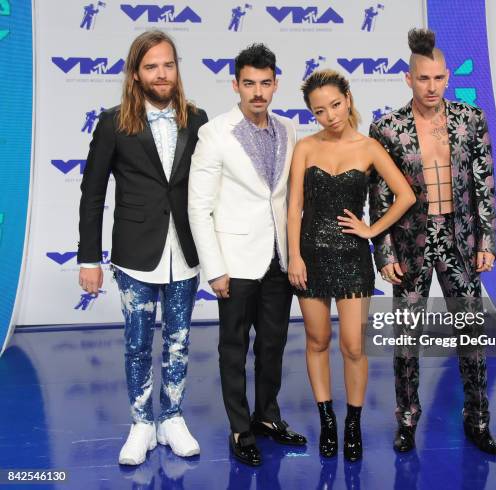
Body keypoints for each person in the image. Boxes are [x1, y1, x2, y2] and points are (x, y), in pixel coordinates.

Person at [77, 30, 208, 466]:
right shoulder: (113, 123)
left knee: (179, 341)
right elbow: (92, 194)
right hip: (134, 253)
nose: (161, 73)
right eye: (151, 66)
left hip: (184, 252)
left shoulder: (197, 118)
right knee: (136, 344)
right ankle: (141, 423)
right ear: (136, 74)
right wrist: (89, 258)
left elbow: (208, 191)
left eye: (168, 64)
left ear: (177, 68)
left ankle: (172, 418)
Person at [369, 28, 496, 455]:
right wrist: (384, 252)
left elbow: (484, 185)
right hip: (410, 246)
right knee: (406, 339)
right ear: (409, 79)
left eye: (439, 78)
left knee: (471, 336)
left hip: (460, 242)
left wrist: (488, 242)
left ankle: (477, 420)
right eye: (423, 79)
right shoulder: (387, 128)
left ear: (448, 77)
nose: (432, 87)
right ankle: (407, 420)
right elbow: (381, 197)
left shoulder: (470, 119)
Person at [188, 43, 306, 467]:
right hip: (234, 262)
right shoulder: (214, 132)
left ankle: (267, 417)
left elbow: (289, 197)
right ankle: (240, 427)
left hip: (278, 258)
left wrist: (294, 252)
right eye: (249, 84)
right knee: (233, 348)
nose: (258, 92)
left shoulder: (291, 130)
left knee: (273, 344)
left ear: (276, 84)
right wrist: (214, 269)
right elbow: (198, 206)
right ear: (235, 84)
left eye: (266, 83)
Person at [287, 69, 415, 461]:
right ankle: (327, 421)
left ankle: (352, 424)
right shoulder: (305, 147)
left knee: (354, 346)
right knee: (317, 341)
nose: (330, 115)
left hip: (352, 258)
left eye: (336, 105)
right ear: (312, 113)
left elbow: (406, 195)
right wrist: (294, 255)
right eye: (320, 110)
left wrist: (371, 229)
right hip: (309, 255)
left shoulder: (369, 147)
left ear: (348, 98)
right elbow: (294, 207)